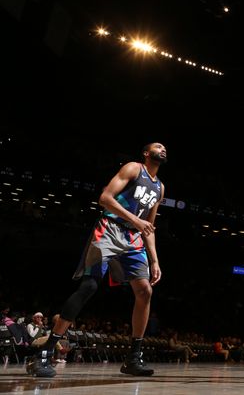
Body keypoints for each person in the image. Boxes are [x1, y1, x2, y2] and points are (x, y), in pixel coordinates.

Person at [27, 142, 167, 378]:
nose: (163, 149)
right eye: (157, 146)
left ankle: (133, 358)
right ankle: (45, 351)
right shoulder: (134, 168)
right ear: (146, 153)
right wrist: (136, 220)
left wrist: (155, 260)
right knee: (90, 285)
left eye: (165, 148)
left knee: (145, 291)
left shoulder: (160, 187)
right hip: (110, 228)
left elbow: (149, 227)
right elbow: (105, 198)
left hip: (133, 237)